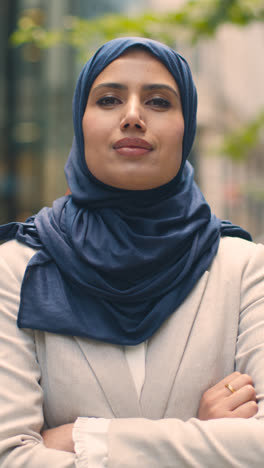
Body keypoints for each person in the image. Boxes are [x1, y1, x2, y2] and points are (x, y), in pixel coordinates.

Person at [0, 36, 264, 467]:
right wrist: (206, 438)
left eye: (159, 102)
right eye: (108, 99)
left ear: (188, 125)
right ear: (80, 120)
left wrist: (85, 438)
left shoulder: (244, 267)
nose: (133, 116)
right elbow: (10, 456)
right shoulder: (16, 266)